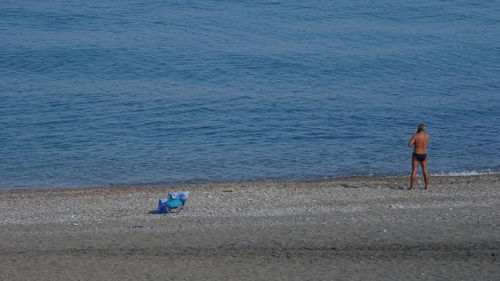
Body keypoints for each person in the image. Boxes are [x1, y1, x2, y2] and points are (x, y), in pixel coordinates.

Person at [407, 124, 430, 190]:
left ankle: (411, 187)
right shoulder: (427, 136)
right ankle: (426, 187)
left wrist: (414, 142)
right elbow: (426, 143)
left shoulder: (415, 136)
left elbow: (409, 145)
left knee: (414, 170)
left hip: (416, 154)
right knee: (425, 170)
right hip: (424, 154)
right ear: (424, 129)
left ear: (418, 129)